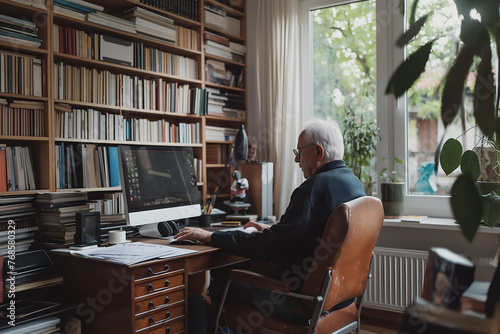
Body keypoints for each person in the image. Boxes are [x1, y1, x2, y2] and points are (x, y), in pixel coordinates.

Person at [174, 119, 366, 329]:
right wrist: (273, 231)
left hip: (299, 299)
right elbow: (314, 236)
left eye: (299, 151)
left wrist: (211, 236)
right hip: (339, 298)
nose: (296, 159)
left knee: (224, 278)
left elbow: (270, 247)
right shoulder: (354, 185)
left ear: (318, 152)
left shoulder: (313, 188)